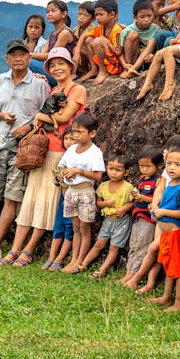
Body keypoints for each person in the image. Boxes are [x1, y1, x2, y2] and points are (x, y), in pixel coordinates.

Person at [0, 47, 86, 267]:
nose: (57, 68)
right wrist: (42, 116)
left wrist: (41, 115)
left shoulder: (78, 90)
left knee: (47, 201)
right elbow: (43, 120)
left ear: (70, 66)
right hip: (42, 149)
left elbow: (65, 117)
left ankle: (29, 250)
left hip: (61, 153)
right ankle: (14, 249)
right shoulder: (53, 90)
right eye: (53, 65)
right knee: (31, 200)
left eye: (61, 63)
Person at [0, 39, 51, 262]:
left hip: (24, 149)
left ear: (30, 57)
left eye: (22, 54)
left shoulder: (40, 84)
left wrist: (28, 126)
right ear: (7, 59)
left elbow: (47, 115)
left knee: (11, 198)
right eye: (13, 55)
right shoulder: (0, 80)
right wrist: (2, 116)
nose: (18, 58)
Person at [147, 143, 180, 311]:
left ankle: (179, 303)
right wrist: (156, 211)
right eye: (169, 163)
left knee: (179, 270)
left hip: (176, 234)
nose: (172, 167)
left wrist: (162, 212)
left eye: (178, 164)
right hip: (167, 235)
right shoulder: (170, 184)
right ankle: (166, 297)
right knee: (169, 266)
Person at [57, 114, 105, 273]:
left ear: (92, 133)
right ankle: (73, 259)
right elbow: (62, 167)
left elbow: (98, 175)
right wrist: (62, 174)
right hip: (71, 192)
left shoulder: (94, 152)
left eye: (79, 132)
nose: (75, 136)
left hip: (85, 192)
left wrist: (79, 171)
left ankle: (80, 261)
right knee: (76, 227)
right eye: (73, 132)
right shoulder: (71, 149)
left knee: (84, 227)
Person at [80, 155, 136, 278]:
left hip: (122, 222)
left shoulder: (128, 187)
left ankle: (102, 270)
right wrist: (105, 203)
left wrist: (125, 208)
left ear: (126, 172)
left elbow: (135, 201)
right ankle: (83, 264)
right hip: (108, 221)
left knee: (113, 247)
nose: (114, 173)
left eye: (118, 170)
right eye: (111, 169)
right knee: (99, 244)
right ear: (106, 168)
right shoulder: (104, 186)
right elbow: (98, 202)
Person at [120, 147, 163, 285]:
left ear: (158, 165)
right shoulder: (141, 179)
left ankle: (135, 274)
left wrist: (143, 198)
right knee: (133, 244)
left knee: (142, 246)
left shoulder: (159, 181)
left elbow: (159, 200)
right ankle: (129, 271)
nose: (144, 169)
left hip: (148, 218)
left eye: (148, 166)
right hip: (137, 215)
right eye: (141, 166)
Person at [42, 132, 76, 272]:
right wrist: (59, 178)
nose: (68, 142)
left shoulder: (80, 159)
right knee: (59, 225)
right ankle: (51, 257)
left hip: (74, 197)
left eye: (71, 139)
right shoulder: (62, 159)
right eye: (66, 138)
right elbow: (57, 179)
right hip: (63, 197)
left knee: (69, 227)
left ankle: (60, 258)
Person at [76, 0, 123, 84]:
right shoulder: (100, 28)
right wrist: (77, 52)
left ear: (112, 15)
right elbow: (84, 36)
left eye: (101, 15)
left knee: (98, 41)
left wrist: (106, 42)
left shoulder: (117, 30)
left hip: (114, 66)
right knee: (89, 40)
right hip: (106, 61)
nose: (97, 18)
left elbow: (118, 52)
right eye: (96, 15)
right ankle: (94, 69)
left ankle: (103, 71)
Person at [118, 0, 162, 79]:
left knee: (152, 41)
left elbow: (159, 48)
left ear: (153, 14)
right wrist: (125, 65)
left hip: (147, 61)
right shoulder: (127, 31)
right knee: (133, 34)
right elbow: (119, 53)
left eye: (149, 16)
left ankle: (133, 69)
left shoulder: (156, 29)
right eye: (142, 17)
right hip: (132, 61)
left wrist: (153, 55)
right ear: (135, 18)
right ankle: (129, 69)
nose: (146, 20)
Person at [71, 1, 97, 79]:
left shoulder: (93, 29)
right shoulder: (75, 29)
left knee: (76, 49)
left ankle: (92, 69)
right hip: (80, 56)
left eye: (86, 15)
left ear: (93, 19)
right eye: (79, 14)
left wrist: (77, 51)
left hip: (92, 55)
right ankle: (81, 71)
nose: (81, 17)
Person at [22, 14, 50, 79]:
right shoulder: (22, 44)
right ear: (26, 28)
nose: (33, 30)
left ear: (42, 30)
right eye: (30, 27)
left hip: (40, 73)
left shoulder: (45, 44)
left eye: (37, 27)